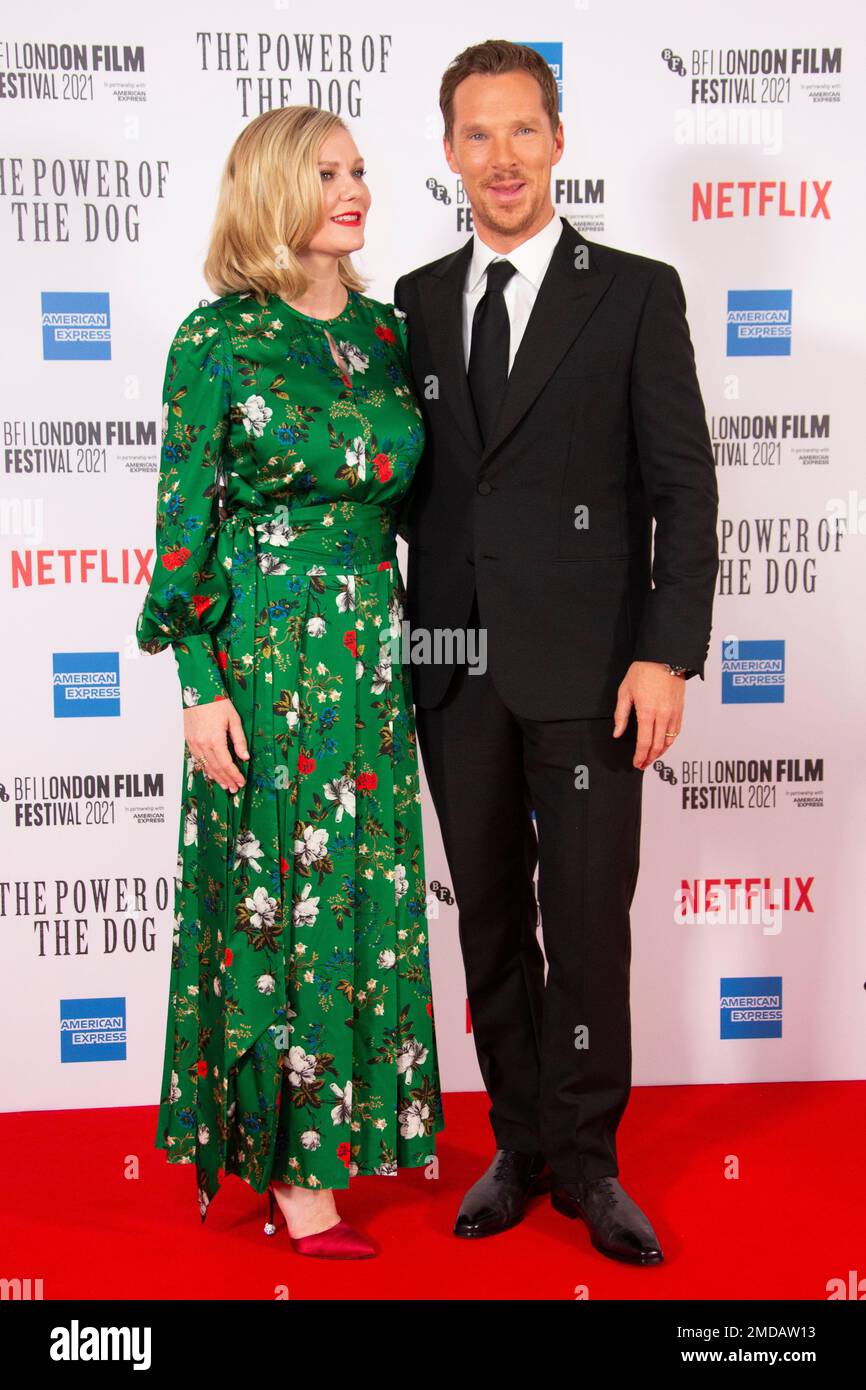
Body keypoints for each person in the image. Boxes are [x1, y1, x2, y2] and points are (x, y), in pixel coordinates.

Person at [394, 39, 719, 1264]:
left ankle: (588, 1161)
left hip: (593, 676)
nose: (500, 158)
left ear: (558, 140)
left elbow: (683, 491)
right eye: (476, 135)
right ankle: (517, 1141)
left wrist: (665, 653)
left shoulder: (633, 290)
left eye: (521, 130)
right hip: (451, 668)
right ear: (448, 155)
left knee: (585, 924)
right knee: (486, 919)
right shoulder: (416, 302)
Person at [136, 104, 443, 1259]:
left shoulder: (387, 333)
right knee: (271, 901)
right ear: (272, 187)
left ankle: (350, 1130)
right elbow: (181, 528)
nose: (354, 188)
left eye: (359, 169)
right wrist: (199, 681)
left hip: (370, 654)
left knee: (359, 896)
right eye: (326, 172)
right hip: (263, 663)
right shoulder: (215, 340)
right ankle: (287, 1172)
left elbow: (424, 502)